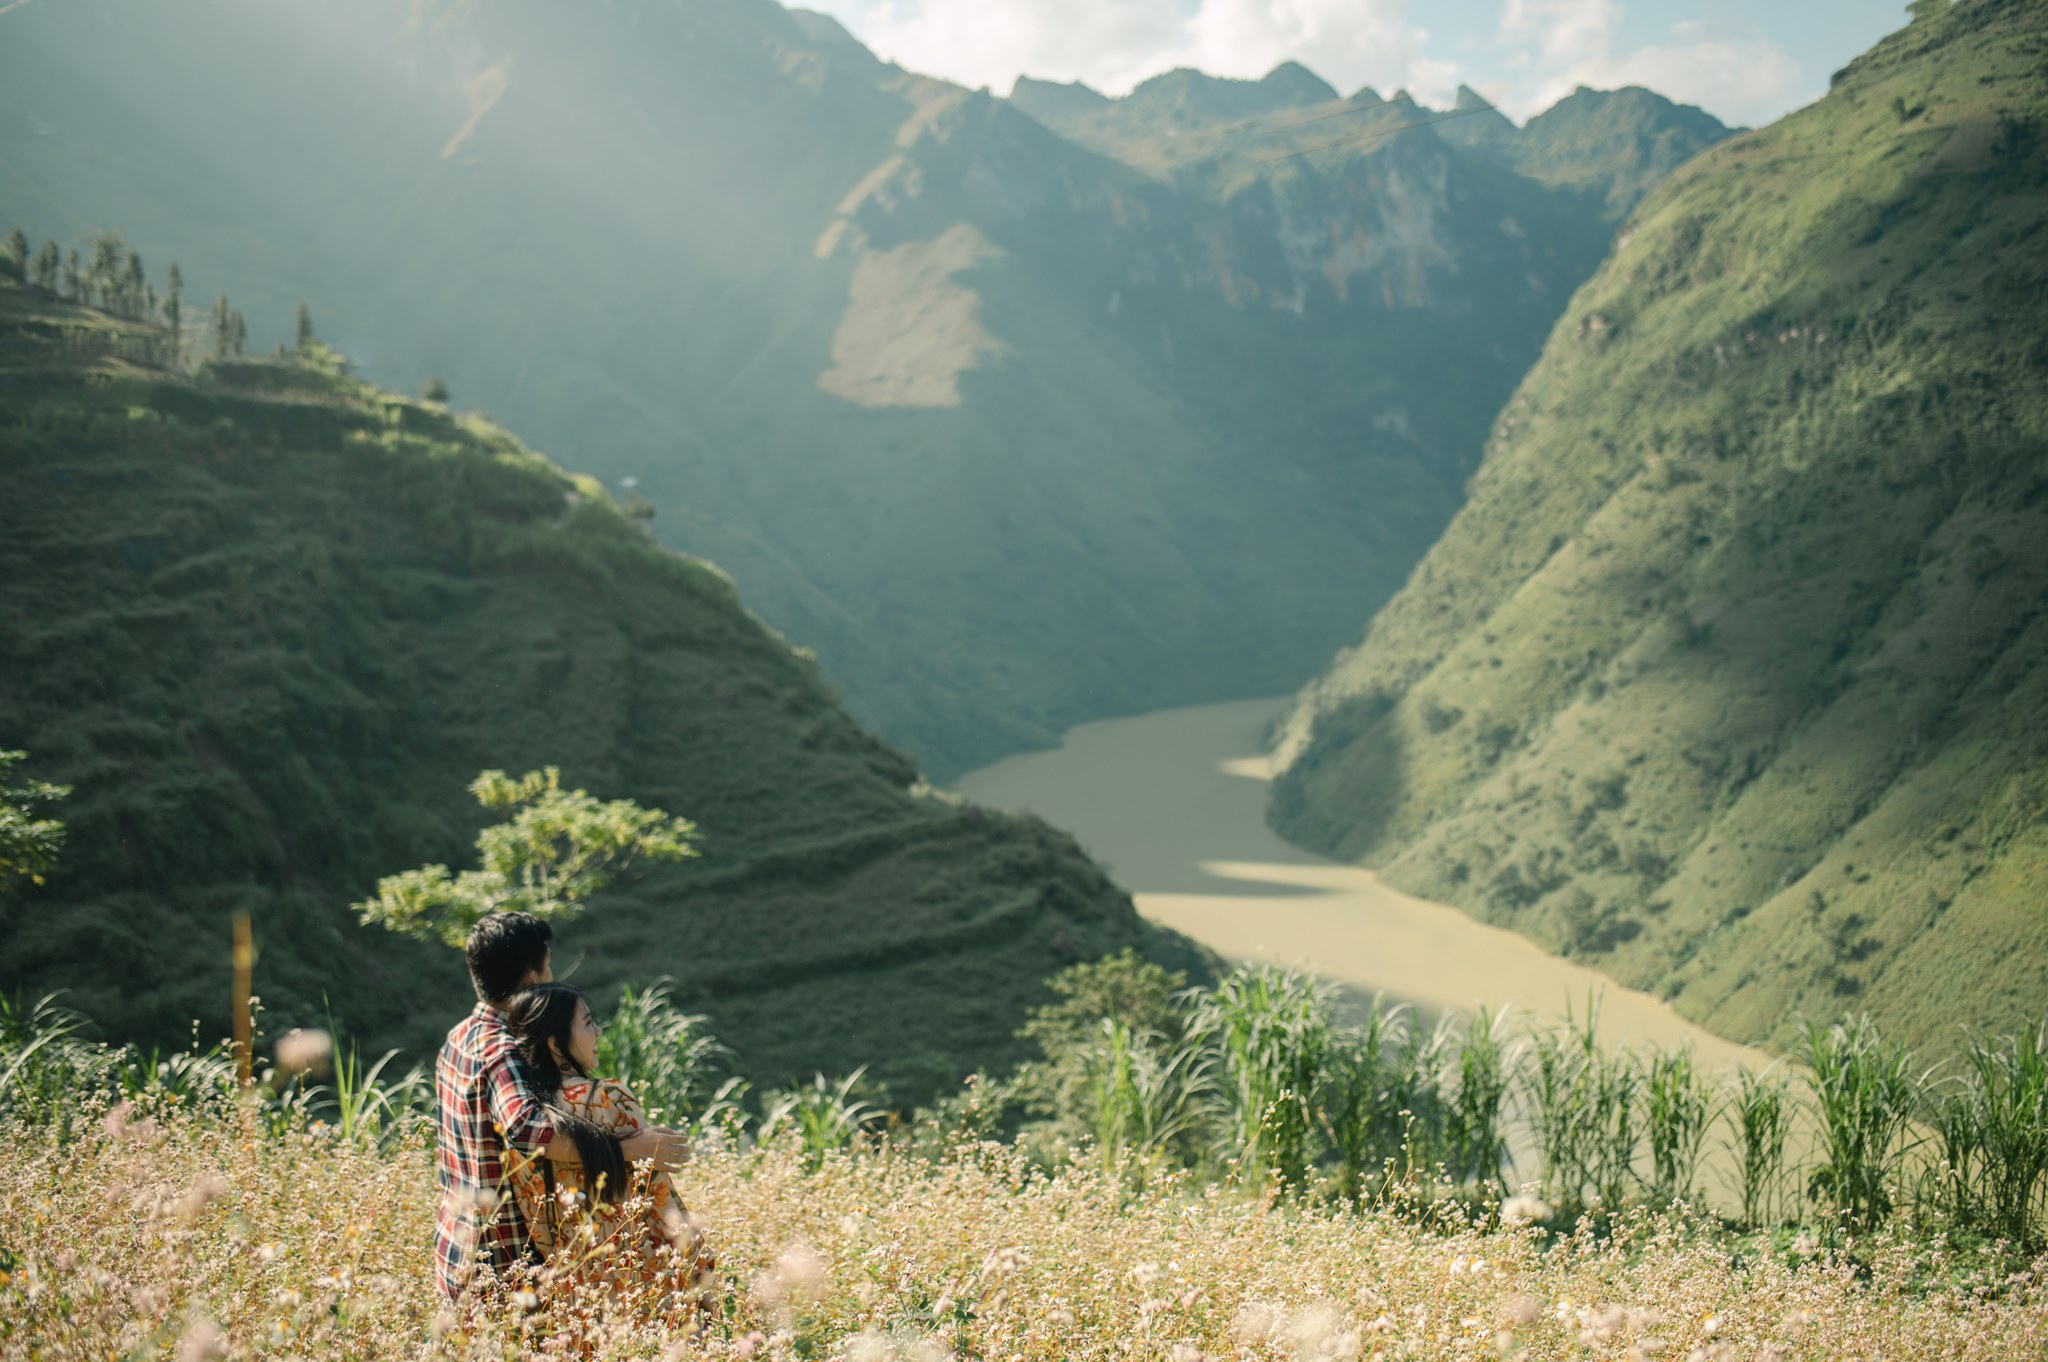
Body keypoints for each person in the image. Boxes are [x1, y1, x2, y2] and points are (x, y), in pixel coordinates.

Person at [433, 912, 687, 1303]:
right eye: (548, 964)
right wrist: (628, 1150)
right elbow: (528, 1129)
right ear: (531, 979)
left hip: (455, 1249)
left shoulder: (458, 1037)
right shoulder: (503, 1050)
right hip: (501, 1263)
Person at [502, 983, 718, 1320]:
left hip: (569, 1297)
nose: (599, 1031)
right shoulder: (608, 1099)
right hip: (642, 1285)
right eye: (588, 1023)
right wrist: (702, 1276)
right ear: (556, 1044)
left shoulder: (525, 1128)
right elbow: (661, 1198)